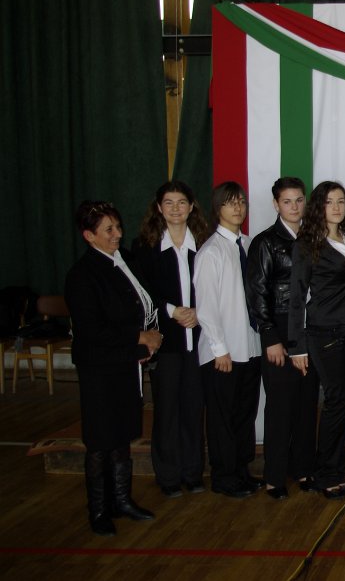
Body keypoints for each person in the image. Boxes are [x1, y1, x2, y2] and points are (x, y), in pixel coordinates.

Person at [65, 200, 161, 536]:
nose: (117, 234)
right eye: (108, 230)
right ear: (89, 235)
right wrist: (139, 337)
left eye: (118, 227)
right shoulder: (82, 275)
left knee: (121, 435)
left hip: (124, 362)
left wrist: (145, 343)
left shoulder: (125, 261)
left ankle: (122, 500)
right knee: (100, 440)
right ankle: (99, 509)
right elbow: (93, 330)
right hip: (99, 368)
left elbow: (143, 303)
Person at [130, 181, 208, 498]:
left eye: (181, 202)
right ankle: (168, 475)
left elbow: (215, 286)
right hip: (166, 340)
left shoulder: (203, 242)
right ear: (159, 208)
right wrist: (173, 310)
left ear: (191, 206)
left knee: (193, 408)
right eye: (169, 203)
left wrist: (199, 311)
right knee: (166, 410)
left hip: (199, 338)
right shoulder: (144, 246)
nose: (176, 208)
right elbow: (143, 291)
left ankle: (193, 472)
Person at [245, 177, 318, 499]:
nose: (294, 207)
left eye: (299, 200)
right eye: (287, 201)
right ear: (276, 204)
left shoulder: (313, 239)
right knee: (280, 407)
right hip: (279, 331)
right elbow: (257, 293)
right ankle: (274, 477)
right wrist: (270, 337)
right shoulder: (265, 242)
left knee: (306, 404)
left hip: (309, 332)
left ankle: (303, 469)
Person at [288, 181, 345, 499]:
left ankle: (337, 471)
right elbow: (296, 298)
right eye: (330, 202)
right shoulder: (307, 244)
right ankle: (325, 474)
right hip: (323, 333)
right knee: (334, 402)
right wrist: (296, 347)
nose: (336, 207)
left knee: (343, 402)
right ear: (319, 207)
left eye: (341, 201)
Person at [194, 182, 262, 499]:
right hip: (223, 352)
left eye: (241, 202)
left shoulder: (247, 245)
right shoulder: (211, 252)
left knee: (244, 413)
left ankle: (241, 469)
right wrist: (220, 349)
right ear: (218, 208)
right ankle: (223, 476)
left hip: (249, 346)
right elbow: (206, 308)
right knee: (222, 417)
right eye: (230, 203)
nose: (237, 208)